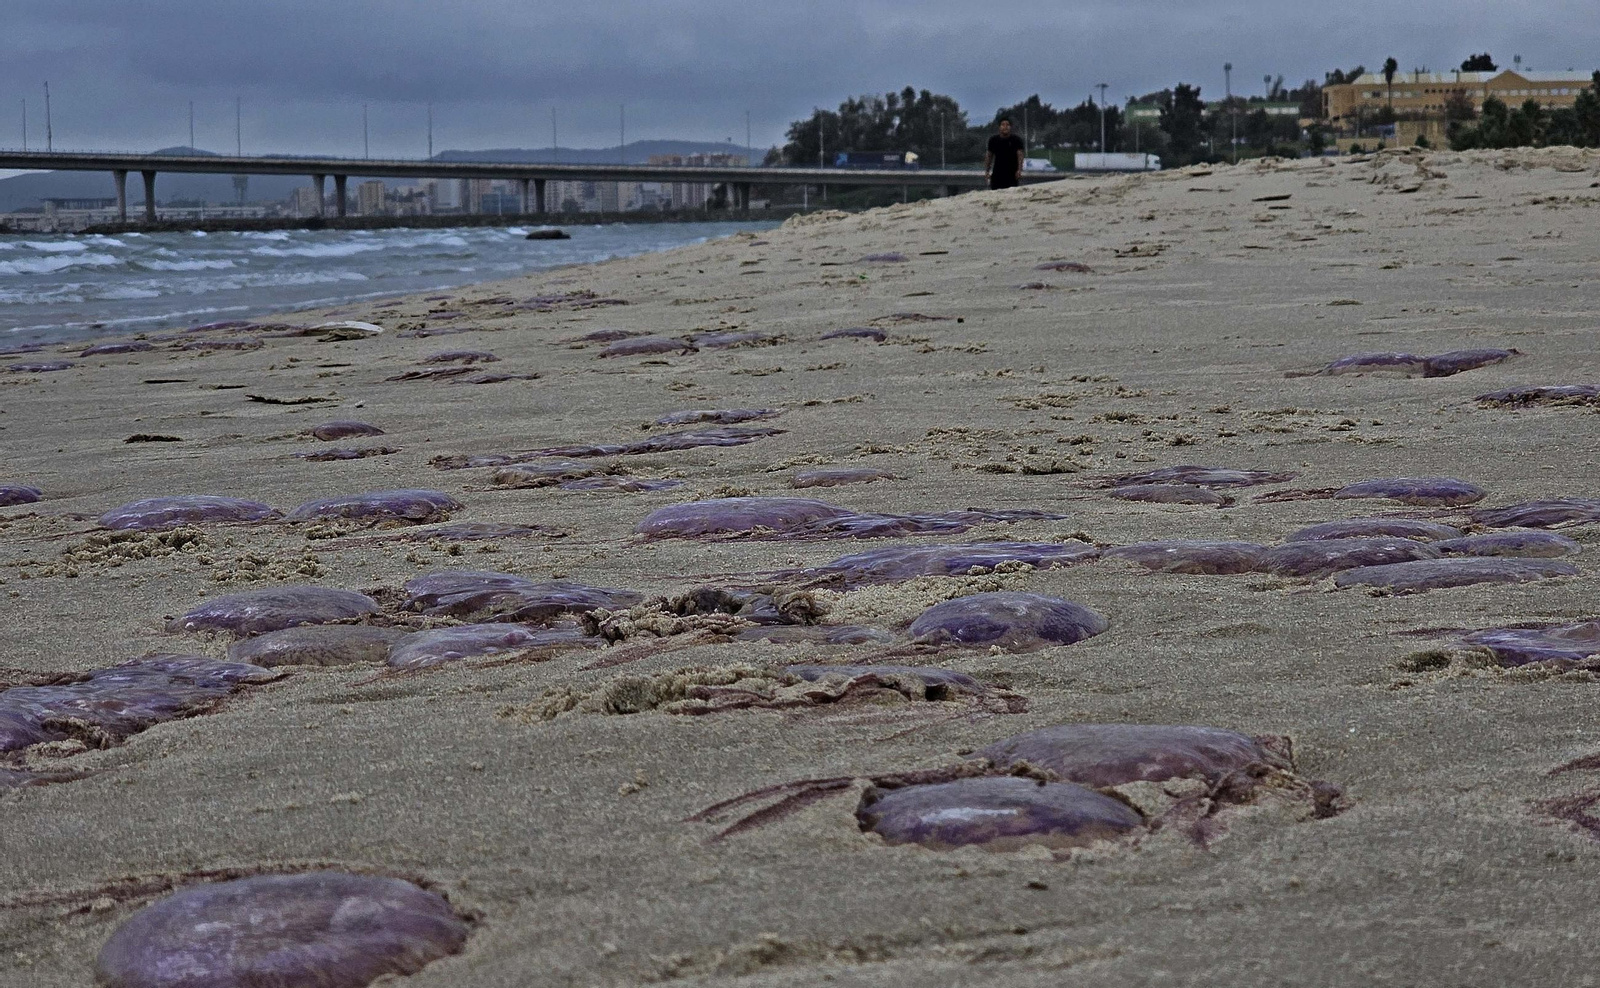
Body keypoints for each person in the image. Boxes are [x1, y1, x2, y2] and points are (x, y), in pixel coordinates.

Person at [985, 117, 1025, 191]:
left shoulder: (1016, 140)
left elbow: (1020, 156)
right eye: (1003, 125)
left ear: (1010, 127)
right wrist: (987, 171)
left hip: (1012, 175)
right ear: (999, 127)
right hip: (997, 174)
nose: (1005, 127)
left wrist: (1019, 170)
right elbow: (989, 156)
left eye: (1007, 125)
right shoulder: (993, 140)